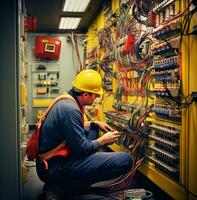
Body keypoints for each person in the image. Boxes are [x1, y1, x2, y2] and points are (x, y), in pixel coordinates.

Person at [36, 69, 133, 199]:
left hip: (50, 163)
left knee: (92, 129)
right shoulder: (71, 110)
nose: (97, 98)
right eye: (95, 95)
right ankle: (64, 187)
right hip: (54, 168)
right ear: (86, 95)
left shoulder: (66, 101)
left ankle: (67, 183)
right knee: (126, 160)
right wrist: (103, 141)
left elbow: (68, 129)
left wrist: (94, 122)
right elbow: (81, 150)